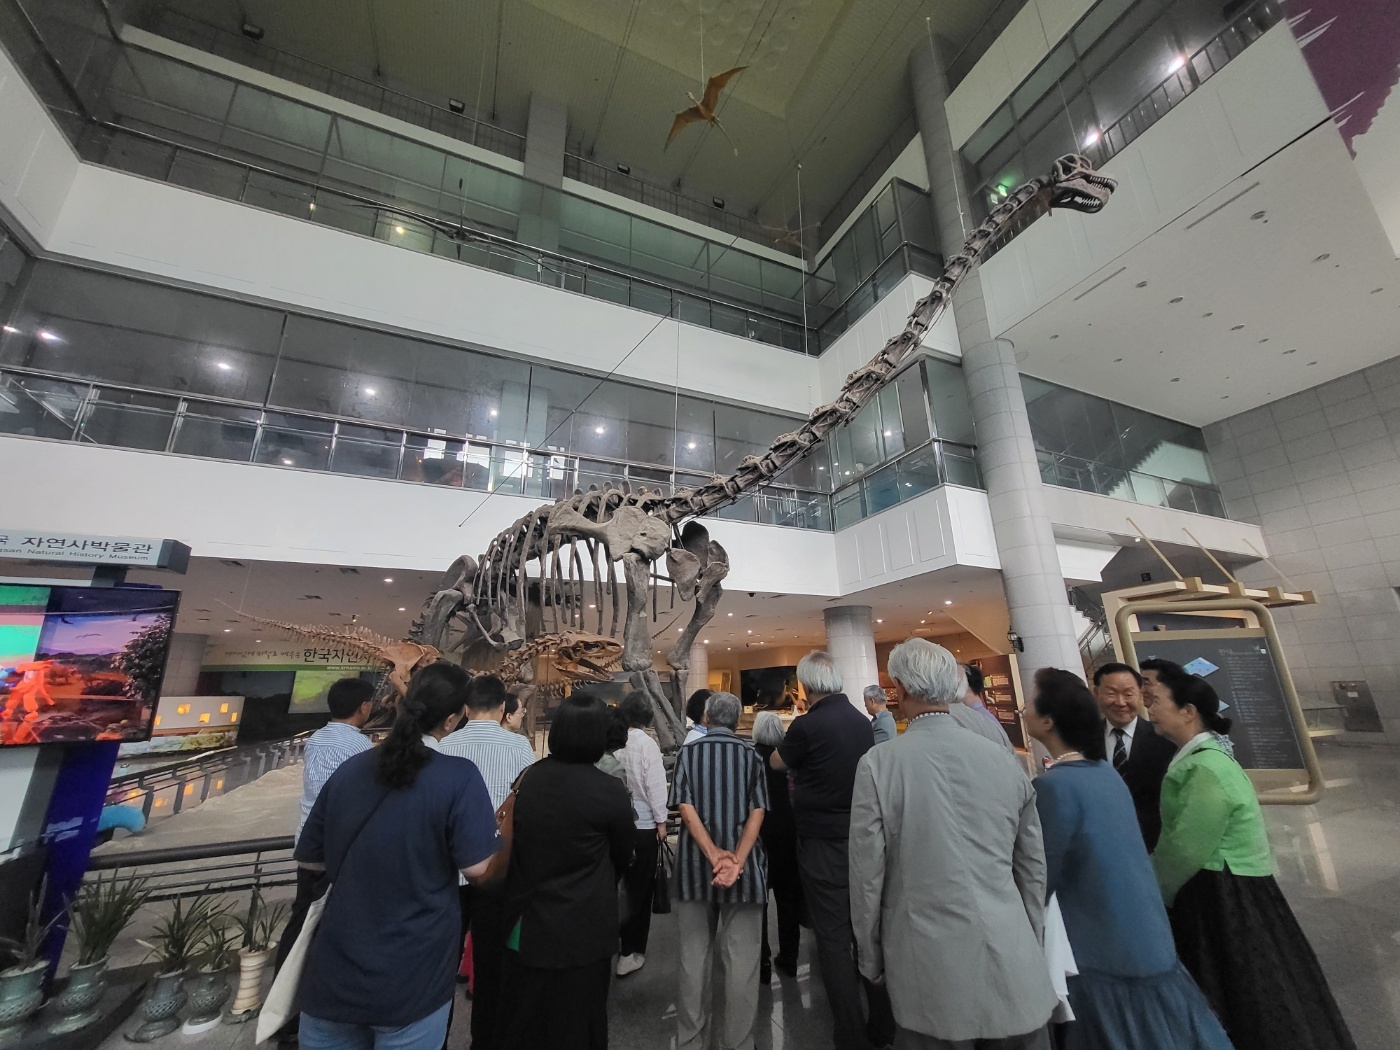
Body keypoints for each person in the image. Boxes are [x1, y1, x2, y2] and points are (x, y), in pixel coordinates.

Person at [851, 638, 1054, 1050]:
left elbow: (866, 874)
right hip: (1013, 952)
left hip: (927, 961)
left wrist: (870, 956)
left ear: (900, 688)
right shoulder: (1003, 759)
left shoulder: (879, 764)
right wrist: (1033, 936)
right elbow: (1032, 864)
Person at [1149, 665, 1356, 1050]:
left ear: (1188, 711)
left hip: (1221, 890)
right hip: (1233, 885)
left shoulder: (1205, 767)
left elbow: (1187, 846)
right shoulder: (1204, 759)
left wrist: (1155, 890)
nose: (1151, 709)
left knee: (1240, 986)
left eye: (1157, 702)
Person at [294, 663, 499, 1050]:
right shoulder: (458, 776)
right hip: (412, 973)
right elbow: (477, 867)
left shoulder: (352, 767)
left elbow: (310, 860)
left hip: (335, 970)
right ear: (452, 719)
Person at [1024, 668, 1232, 1050]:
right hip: (1141, 932)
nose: (1023, 709)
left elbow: (1042, 873)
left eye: (1031, 702)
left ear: (1049, 720)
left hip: (1098, 944)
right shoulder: (1103, 773)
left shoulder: (1054, 786)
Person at [496, 690, 635, 1050]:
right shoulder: (609, 790)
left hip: (528, 921)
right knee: (580, 1021)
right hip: (586, 928)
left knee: (528, 1019)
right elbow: (624, 853)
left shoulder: (528, 779)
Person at [771, 651, 892, 1050]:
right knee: (868, 930)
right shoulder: (861, 721)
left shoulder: (807, 725)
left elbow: (777, 762)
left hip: (822, 841)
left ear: (805, 684)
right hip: (863, 837)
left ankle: (851, 1034)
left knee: (834, 938)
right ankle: (883, 1025)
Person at [437, 674, 537, 1050]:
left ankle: (436, 1038)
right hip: (496, 872)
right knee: (492, 964)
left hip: (449, 873)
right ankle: (486, 1040)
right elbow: (526, 802)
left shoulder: (445, 745)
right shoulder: (519, 746)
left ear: (465, 709)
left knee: (440, 965)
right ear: (502, 709)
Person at [275, 674, 376, 1029]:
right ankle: (326, 1006)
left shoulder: (316, 739)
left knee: (301, 922)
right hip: (340, 848)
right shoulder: (361, 748)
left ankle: (285, 1009)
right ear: (364, 707)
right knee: (336, 925)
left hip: (309, 845)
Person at [670, 691, 769, 1050]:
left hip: (693, 870)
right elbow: (758, 811)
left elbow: (684, 806)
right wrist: (737, 859)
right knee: (742, 963)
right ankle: (739, 1043)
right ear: (738, 721)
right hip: (745, 873)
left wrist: (712, 854)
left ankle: (690, 1042)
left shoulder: (688, 753)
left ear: (707, 717)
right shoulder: (751, 755)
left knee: (692, 959)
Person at [616, 690, 669, 978]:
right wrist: (661, 822)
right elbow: (656, 787)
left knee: (619, 886)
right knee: (640, 891)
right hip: (645, 826)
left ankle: (616, 943)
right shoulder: (647, 744)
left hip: (618, 825)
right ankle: (631, 951)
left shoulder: (616, 741)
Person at [1093, 662, 1174, 849]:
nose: (1121, 702)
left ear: (1140, 694)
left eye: (1128, 694)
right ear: (1096, 693)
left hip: (1153, 844)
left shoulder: (1165, 740)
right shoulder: (1084, 740)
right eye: (1111, 693)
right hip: (1101, 842)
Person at [752, 710, 803, 982]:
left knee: (759, 901)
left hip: (758, 835)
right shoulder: (787, 759)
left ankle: (762, 961)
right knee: (788, 899)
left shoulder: (751, 758)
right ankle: (790, 956)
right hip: (788, 833)